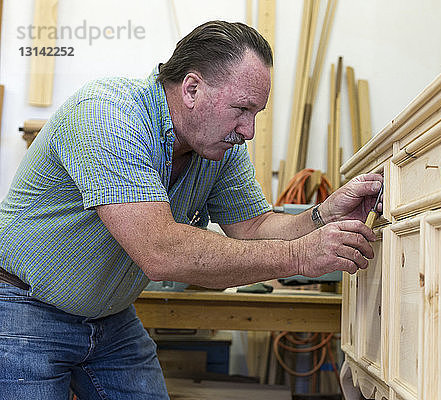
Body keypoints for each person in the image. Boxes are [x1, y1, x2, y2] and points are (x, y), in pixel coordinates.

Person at [0, 21, 382, 399]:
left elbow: (254, 226)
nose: (248, 130)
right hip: (25, 306)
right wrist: (301, 254)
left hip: (108, 316)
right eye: (241, 109)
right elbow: (160, 252)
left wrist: (323, 216)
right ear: (192, 88)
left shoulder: (217, 147)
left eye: (256, 114)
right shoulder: (109, 114)